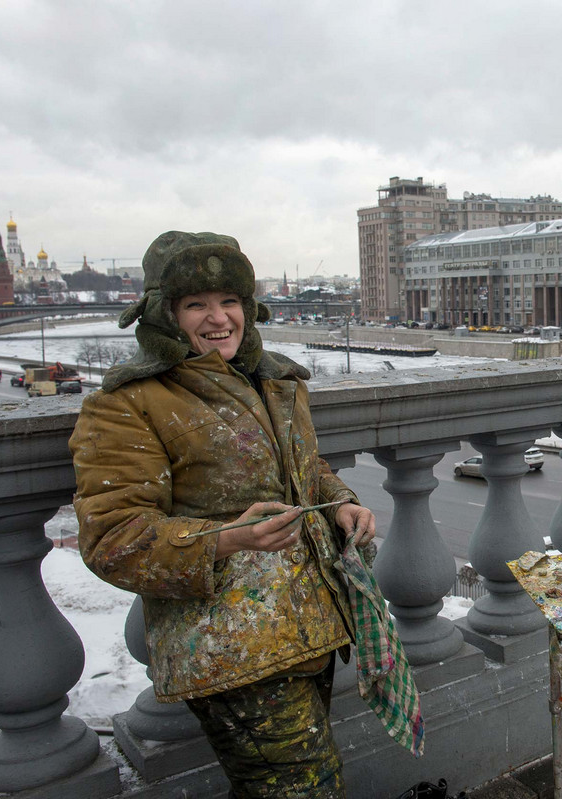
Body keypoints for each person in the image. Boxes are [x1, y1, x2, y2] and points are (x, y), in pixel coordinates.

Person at [70, 231, 405, 798]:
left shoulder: (278, 381)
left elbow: (305, 468)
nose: (218, 318)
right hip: (230, 649)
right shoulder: (128, 404)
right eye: (196, 304)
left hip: (309, 627)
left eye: (229, 301)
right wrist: (231, 538)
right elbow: (113, 538)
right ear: (165, 313)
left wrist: (341, 500)